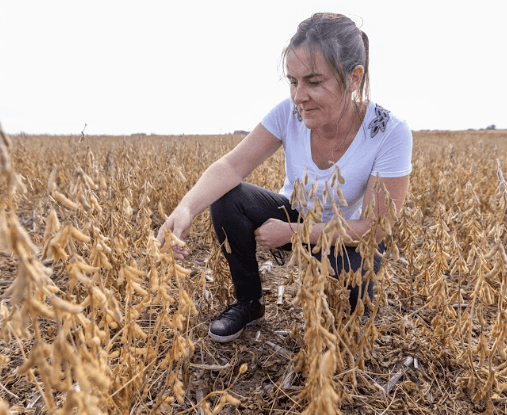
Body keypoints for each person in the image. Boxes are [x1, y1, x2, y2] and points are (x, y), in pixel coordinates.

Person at [157, 12, 413, 343]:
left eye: (314, 82)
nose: (299, 97)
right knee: (228, 197)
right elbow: (231, 167)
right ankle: (248, 303)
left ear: (354, 77)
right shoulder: (288, 113)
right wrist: (185, 208)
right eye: (293, 81)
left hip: (346, 236)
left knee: (351, 304)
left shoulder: (389, 132)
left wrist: (292, 233)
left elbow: (376, 227)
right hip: (295, 213)